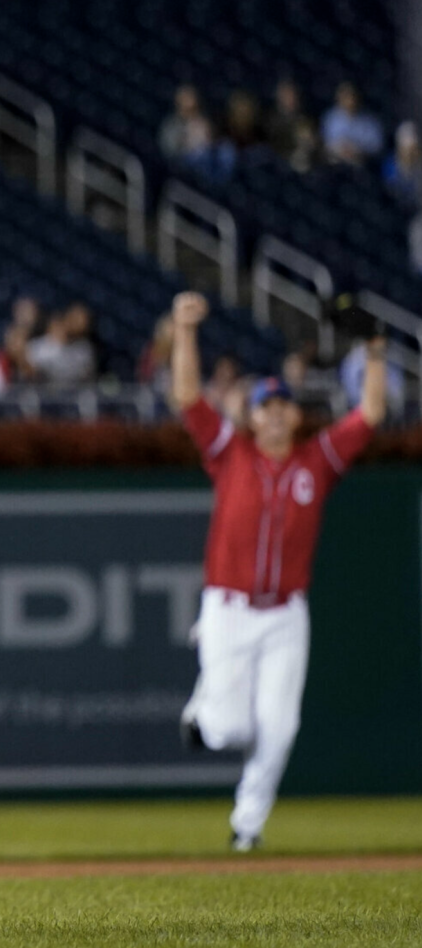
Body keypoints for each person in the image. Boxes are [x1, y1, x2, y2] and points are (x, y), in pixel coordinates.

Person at [168, 290, 386, 852]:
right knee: (230, 730)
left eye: (283, 404)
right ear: (253, 415)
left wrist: (375, 349)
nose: (275, 412)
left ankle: (247, 826)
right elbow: (187, 395)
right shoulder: (230, 453)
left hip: (286, 615)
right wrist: (185, 330)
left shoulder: (318, 460)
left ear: (294, 414)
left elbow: (370, 414)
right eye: (266, 405)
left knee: (280, 727)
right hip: (229, 609)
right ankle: (203, 713)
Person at [26, 303, 96, 386]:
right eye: (75, 319)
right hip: (45, 391)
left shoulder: (84, 349)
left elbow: (86, 378)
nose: (80, 324)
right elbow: (31, 374)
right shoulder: (37, 347)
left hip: (75, 391)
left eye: (83, 321)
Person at [321, 81, 383, 167]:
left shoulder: (369, 120)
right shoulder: (330, 118)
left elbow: (377, 146)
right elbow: (325, 142)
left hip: (362, 163)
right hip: (335, 163)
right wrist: (341, 149)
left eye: (351, 96)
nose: (349, 100)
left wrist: (357, 149)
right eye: (345, 96)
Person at [382, 121, 421, 206]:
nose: (411, 152)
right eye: (407, 149)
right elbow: (391, 189)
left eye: (414, 148)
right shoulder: (391, 164)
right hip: (399, 205)